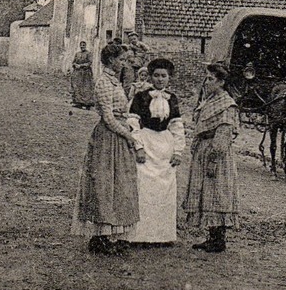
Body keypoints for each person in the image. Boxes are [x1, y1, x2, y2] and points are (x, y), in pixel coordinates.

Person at [72, 42, 145, 255]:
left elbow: (120, 110)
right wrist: (128, 134)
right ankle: (101, 236)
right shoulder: (103, 82)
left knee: (119, 184)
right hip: (108, 138)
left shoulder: (114, 81)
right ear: (111, 60)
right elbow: (108, 117)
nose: (124, 64)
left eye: (125, 60)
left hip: (118, 136)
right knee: (104, 184)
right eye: (121, 60)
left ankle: (113, 234)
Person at [125, 57, 185, 244]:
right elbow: (133, 123)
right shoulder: (141, 97)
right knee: (144, 189)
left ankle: (163, 236)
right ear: (150, 77)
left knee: (164, 190)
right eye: (156, 76)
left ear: (169, 78)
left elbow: (176, 126)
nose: (160, 79)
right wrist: (139, 147)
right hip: (147, 142)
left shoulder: (172, 99)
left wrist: (178, 151)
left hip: (165, 146)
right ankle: (141, 235)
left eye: (164, 76)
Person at [182, 61, 240, 253]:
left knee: (217, 192)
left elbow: (224, 134)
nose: (206, 83)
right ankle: (212, 236)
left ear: (221, 82)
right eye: (206, 79)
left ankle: (218, 238)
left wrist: (214, 158)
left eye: (211, 79)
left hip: (217, 153)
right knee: (206, 191)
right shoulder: (210, 100)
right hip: (204, 149)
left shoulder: (227, 105)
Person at [69, 40, 95, 108]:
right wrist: (75, 65)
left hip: (86, 73)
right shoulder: (77, 54)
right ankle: (78, 102)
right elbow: (73, 62)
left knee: (86, 88)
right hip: (77, 73)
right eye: (81, 45)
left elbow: (89, 63)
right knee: (77, 87)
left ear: (85, 46)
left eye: (83, 45)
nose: (82, 46)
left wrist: (81, 66)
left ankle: (87, 103)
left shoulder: (88, 53)